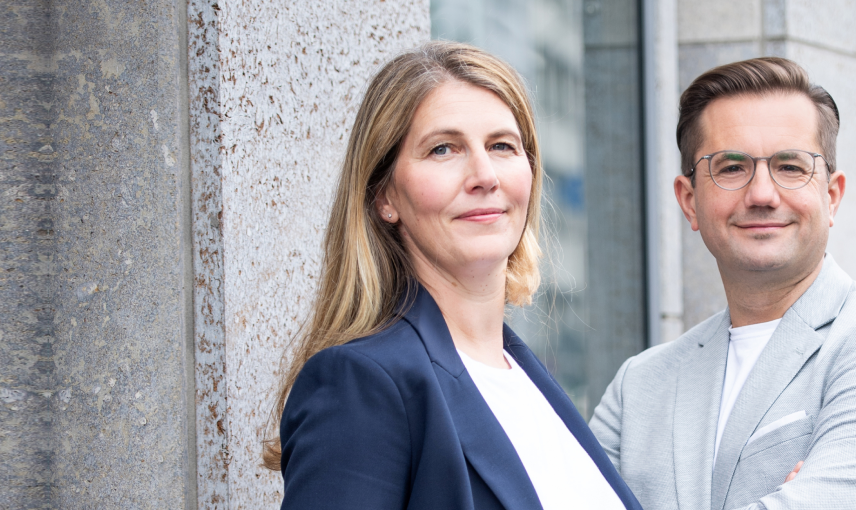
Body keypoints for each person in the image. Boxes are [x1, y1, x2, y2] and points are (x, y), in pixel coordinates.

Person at [266, 41, 641, 510]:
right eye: (443, 149)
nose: (485, 175)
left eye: (502, 146)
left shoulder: (529, 381)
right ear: (385, 196)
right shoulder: (361, 384)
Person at [588, 57, 856, 510]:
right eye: (731, 167)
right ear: (689, 201)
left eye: (790, 167)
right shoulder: (639, 386)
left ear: (831, 196)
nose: (762, 194)